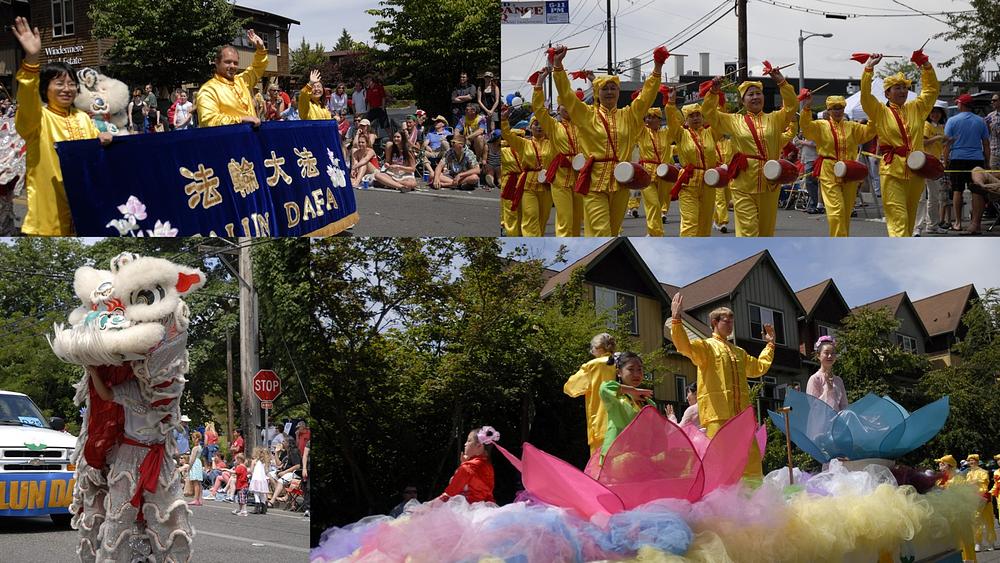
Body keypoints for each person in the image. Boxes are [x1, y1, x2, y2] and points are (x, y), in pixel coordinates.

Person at [10, 17, 112, 236]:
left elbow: (97, 153)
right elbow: (27, 99)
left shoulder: (82, 117)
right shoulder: (37, 119)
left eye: (71, 83)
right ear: (45, 89)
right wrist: (31, 59)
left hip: (85, 212)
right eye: (59, 83)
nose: (67, 89)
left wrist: (105, 140)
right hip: (47, 220)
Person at [550, 44, 666, 236]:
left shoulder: (629, 115)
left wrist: (657, 68)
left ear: (619, 93)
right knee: (600, 232)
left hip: (621, 181)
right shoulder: (586, 115)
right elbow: (567, 96)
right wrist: (558, 66)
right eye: (605, 89)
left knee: (612, 232)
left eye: (613, 88)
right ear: (597, 93)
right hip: (594, 182)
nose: (610, 92)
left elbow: (646, 97)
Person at [668, 293, 774, 478]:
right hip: (718, 415)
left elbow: (758, 367)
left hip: (741, 416)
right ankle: (720, 504)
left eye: (732, 321)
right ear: (715, 322)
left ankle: (754, 501)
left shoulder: (739, 352)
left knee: (751, 459)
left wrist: (770, 345)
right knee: (720, 461)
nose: (731, 324)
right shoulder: (706, 347)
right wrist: (676, 320)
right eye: (727, 320)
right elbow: (685, 347)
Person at [701, 65, 798, 237]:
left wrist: (781, 82)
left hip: (770, 183)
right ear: (743, 101)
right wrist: (713, 93)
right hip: (742, 185)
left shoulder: (775, 119)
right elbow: (709, 114)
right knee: (748, 233)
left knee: (766, 233)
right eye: (750, 94)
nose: (755, 97)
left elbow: (791, 106)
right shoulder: (734, 121)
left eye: (758, 93)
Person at [859, 51, 939, 237]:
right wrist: (869, 68)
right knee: (898, 221)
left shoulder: (917, 108)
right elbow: (865, 96)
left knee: (910, 222)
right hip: (892, 170)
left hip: (917, 171)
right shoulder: (879, 111)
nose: (903, 91)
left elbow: (931, 91)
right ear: (887, 92)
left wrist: (925, 65)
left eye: (904, 87)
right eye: (897, 88)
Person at [798, 93, 877, 236]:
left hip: (849, 170)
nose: (838, 110)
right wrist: (807, 107)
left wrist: (873, 114)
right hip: (829, 169)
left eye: (841, 107)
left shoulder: (852, 126)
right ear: (828, 110)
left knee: (846, 212)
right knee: (837, 210)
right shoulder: (820, 126)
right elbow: (806, 127)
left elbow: (870, 132)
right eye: (834, 108)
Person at [665, 95, 726, 237]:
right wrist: (671, 103)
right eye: (691, 116)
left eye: (698, 114)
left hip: (708, 182)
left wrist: (719, 99)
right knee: (690, 222)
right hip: (688, 183)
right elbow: (671, 120)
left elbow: (720, 120)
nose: (696, 118)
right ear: (686, 119)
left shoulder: (711, 133)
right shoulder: (680, 134)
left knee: (705, 223)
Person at [531, 72, 583, 236]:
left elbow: (597, 107)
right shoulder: (553, 126)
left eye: (571, 105)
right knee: (565, 218)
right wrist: (539, 82)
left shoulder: (584, 124)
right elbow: (539, 110)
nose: (567, 109)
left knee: (577, 219)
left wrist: (593, 80)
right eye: (564, 105)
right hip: (560, 176)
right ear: (558, 108)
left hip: (582, 174)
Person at [196, 29, 267, 127]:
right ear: (216, 62)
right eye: (228, 62)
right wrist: (240, 119)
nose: (232, 66)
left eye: (235, 63)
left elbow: (257, 68)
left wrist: (261, 49)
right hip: (227, 141)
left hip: (250, 139)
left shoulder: (241, 81)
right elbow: (208, 120)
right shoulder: (208, 90)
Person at [563, 333, 618, 456]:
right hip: (625, 420)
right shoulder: (620, 362)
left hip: (601, 423)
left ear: (598, 347)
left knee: (601, 468)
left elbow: (570, 387)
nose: (591, 351)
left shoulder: (592, 366)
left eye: (592, 348)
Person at [499, 107, 551, 235]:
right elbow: (507, 135)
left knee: (542, 220)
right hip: (528, 186)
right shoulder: (524, 144)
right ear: (530, 128)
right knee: (530, 218)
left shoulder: (553, 143)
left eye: (542, 124)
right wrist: (504, 120)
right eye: (536, 124)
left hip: (548, 185)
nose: (539, 127)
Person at [944, 93, 991, 235]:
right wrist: (987, 162)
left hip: (957, 158)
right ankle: (975, 223)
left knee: (957, 190)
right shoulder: (980, 121)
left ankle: (957, 223)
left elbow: (946, 144)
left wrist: (945, 161)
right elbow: (986, 144)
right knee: (977, 191)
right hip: (976, 159)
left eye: (958, 103)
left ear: (962, 104)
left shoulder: (952, 120)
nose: (957, 105)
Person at [598, 351, 657, 462]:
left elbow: (656, 433)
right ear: (619, 372)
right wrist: (632, 390)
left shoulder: (649, 403)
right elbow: (604, 388)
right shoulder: (616, 397)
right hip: (616, 456)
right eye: (631, 369)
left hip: (642, 456)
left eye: (639, 369)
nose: (636, 374)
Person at [439, 426, 496, 504]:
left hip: (466, 510)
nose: (465, 444)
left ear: (479, 445)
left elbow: (450, 493)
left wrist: (428, 508)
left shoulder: (468, 467)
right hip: (485, 508)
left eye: (469, 441)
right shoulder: (488, 466)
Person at [917, 101, 949, 235]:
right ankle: (917, 226)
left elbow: (941, 143)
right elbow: (923, 142)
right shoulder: (926, 125)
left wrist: (947, 140)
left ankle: (932, 225)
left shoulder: (940, 127)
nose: (935, 114)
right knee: (921, 197)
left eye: (937, 112)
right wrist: (937, 138)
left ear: (941, 114)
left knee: (934, 197)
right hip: (923, 163)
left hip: (935, 164)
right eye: (933, 112)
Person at [804, 335, 848, 411]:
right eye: (826, 353)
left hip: (838, 421)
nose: (830, 356)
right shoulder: (814, 379)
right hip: (821, 421)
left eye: (833, 353)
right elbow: (814, 406)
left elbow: (844, 405)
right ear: (818, 355)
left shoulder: (838, 380)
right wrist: (828, 390)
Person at [965, 454, 997, 552]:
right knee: (975, 520)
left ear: (977, 461)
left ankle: (991, 542)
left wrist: (974, 482)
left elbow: (985, 482)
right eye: (970, 461)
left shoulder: (983, 472)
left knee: (988, 520)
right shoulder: (968, 474)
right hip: (974, 498)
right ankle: (978, 542)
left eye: (973, 460)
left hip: (984, 498)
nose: (971, 462)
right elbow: (967, 485)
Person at [249, 447, 271, 514]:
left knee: (256, 493)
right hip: (263, 479)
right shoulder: (264, 462)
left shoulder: (254, 461)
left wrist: (251, 474)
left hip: (256, 478)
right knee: (262, 493)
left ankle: (257, 507)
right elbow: (266, 471)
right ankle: (264, 508)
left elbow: (251, 470)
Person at [188, 431, 204, 506]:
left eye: (193, 438)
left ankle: (196, 499)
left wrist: (189, 467)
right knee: (199, 483)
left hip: (195, 464)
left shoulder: (195, 448)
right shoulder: (200, 447)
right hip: (198, 463)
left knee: (195, 482)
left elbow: (192, 459)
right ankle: (200, 499)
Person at [986, 94, 1000, 172]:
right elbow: (987, 134)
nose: (992, 102)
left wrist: (993, 126)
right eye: (992, 101)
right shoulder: (990, 116)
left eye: (994, 100)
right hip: (994, 152)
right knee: (994, 178)